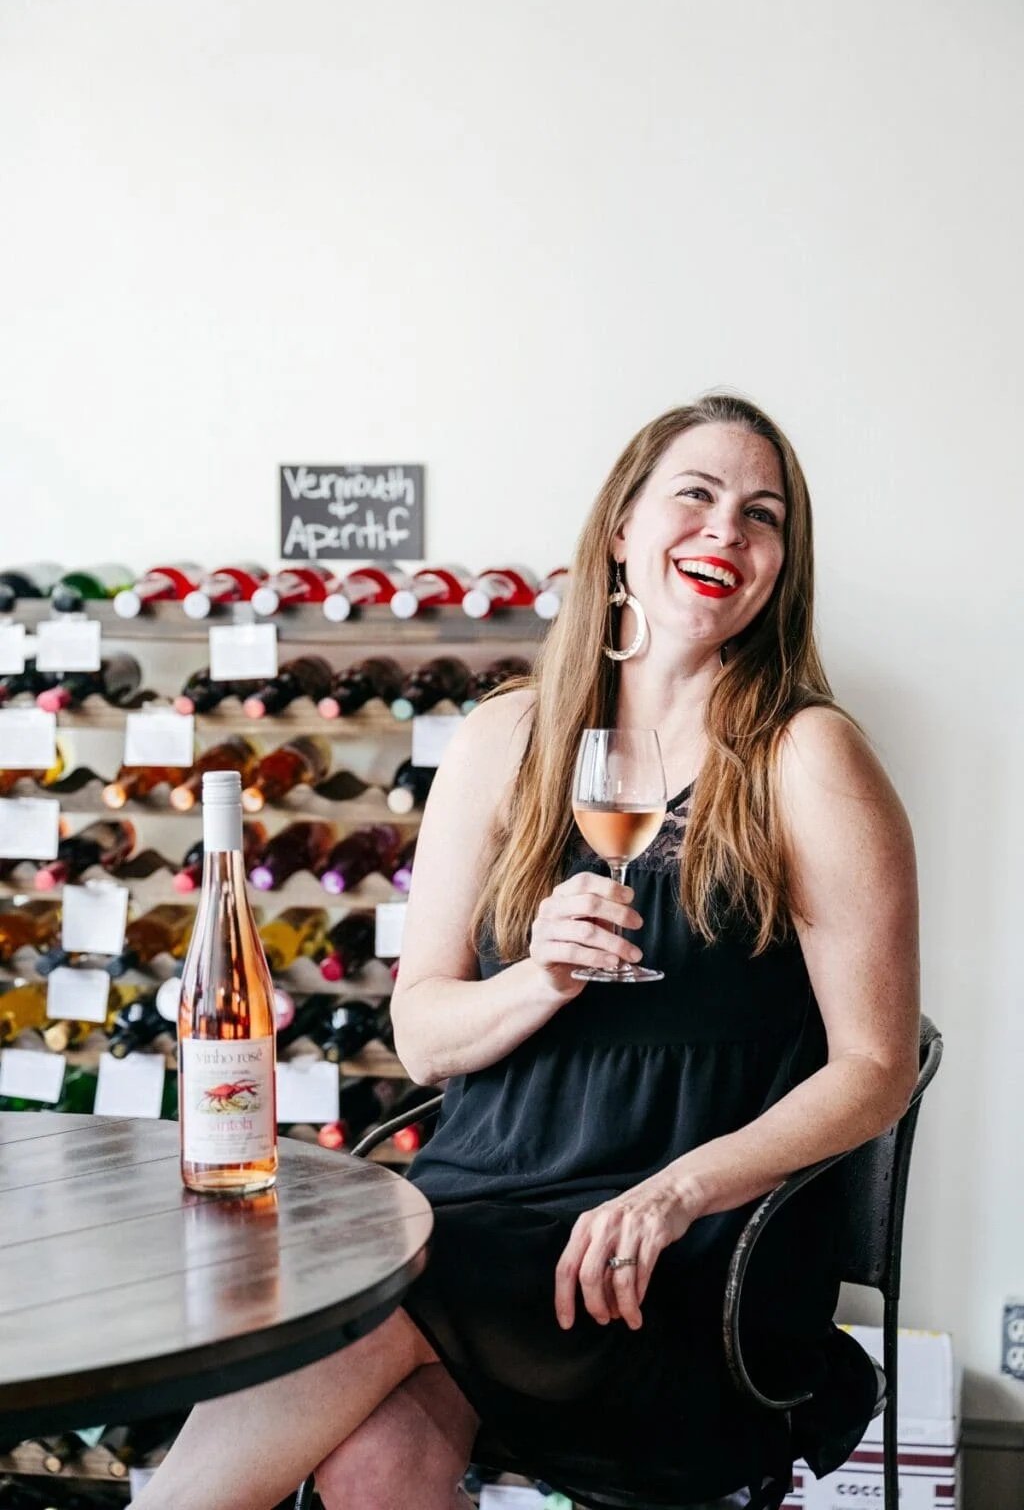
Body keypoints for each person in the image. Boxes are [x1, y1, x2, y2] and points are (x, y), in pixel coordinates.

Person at [134, 392, 920, 1510]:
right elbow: (422, 1033)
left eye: (762, 516)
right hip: (485, 1200)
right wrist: (538, 977)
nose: (725, 534)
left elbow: (875, 1067)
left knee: (356, 1301)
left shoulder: (805, 756)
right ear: (619, 529)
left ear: (780, 565)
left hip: (681, 1245)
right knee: (372, 1462)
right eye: (693, 497)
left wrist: (671, 1194)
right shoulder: (504, 739)